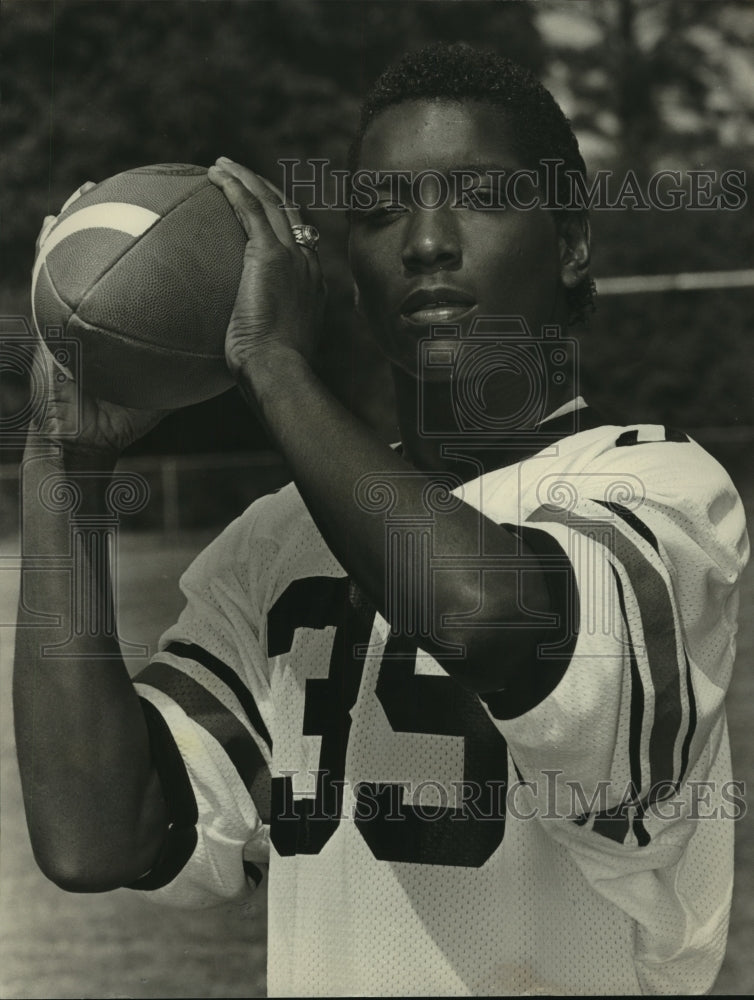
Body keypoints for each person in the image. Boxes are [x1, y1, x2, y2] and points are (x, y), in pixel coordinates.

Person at [14, 43, 749, 996]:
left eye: (479, 196)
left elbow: (484, 612)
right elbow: (96, 834)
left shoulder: (664, 491)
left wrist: (273, 364)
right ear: (348, 268)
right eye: (378, 210)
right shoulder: (277, 541)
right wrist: (63, 465)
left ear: (570, 242)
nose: (425, 241)